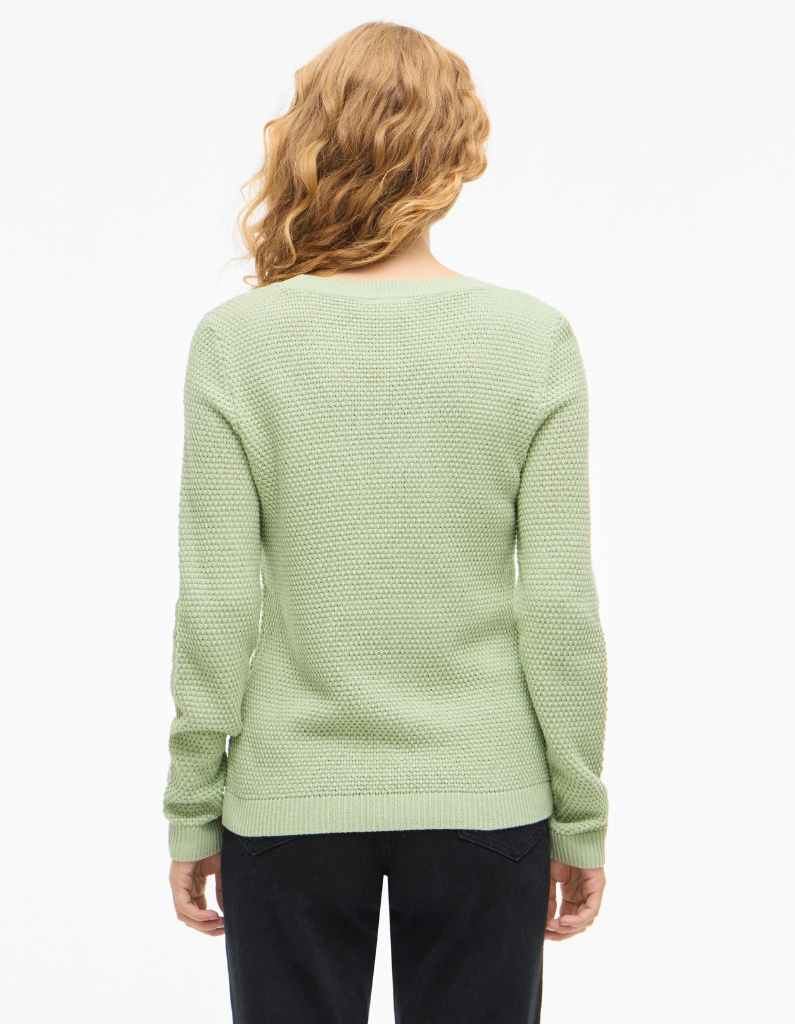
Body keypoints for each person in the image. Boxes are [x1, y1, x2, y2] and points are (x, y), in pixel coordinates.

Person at [163, 20, 608, 1024]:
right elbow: (560, 608)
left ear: (307, 143)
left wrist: (193, 803)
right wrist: (579, 813)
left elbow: (217, 599)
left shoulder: (238, 342)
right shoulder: (531, 340)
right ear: (454, 153)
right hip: (487, 795)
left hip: (287, 798)